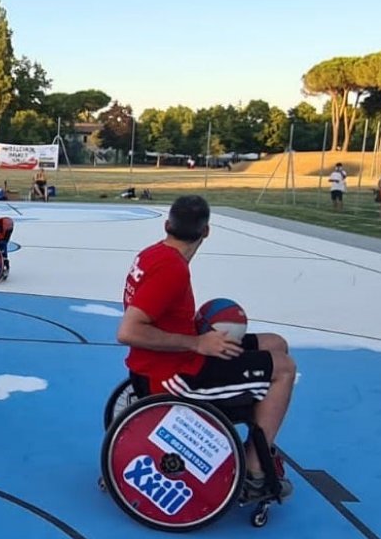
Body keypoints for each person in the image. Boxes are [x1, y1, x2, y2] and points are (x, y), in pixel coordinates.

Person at [116, 195, 296, 500]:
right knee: (284, 369)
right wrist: (198, 342)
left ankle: (256, 427)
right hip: (174, 376)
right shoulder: (170, 269)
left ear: (166, 225)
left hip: (167, 361)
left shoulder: (152, 254)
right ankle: (254, 470)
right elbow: (129, 331)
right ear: (206, 231)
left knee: (274, 343)